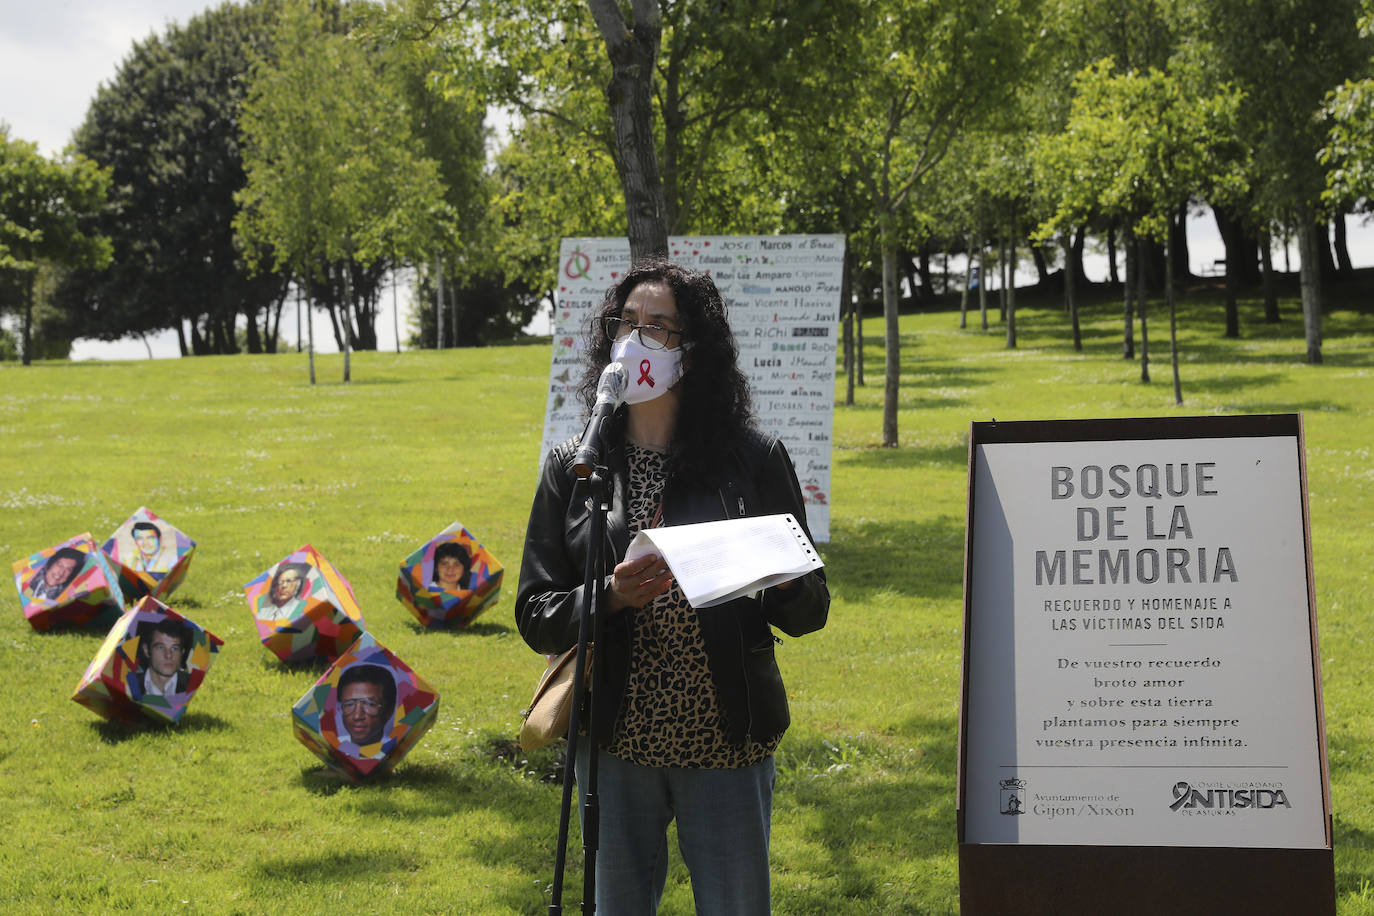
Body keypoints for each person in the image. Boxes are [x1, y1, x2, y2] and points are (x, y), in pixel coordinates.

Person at [516, 257, 829, 914]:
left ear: (694, 350)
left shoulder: (752, 459)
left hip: (725, 739)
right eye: (627, 322)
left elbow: (810, 610)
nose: (637, 338)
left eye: (659, 326)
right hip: (615, 744)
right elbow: (536, 613)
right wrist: (611, 595)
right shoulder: (576, 468)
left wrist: (770, 578)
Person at [335, 664, 396, 747]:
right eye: (349, 704)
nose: (357, 716)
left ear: (389, 711)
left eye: (370, 704)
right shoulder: (333, 746)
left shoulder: (394, 748)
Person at [132, 617, 192, 699]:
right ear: (146, 650)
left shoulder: (192, 685)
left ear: (182, 652)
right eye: (161, 647)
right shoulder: (130, 686)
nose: (168, 655)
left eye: (175, 648)